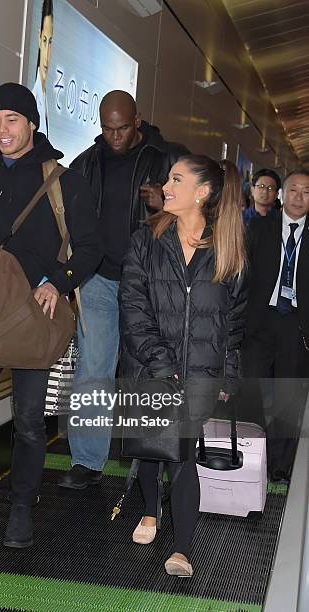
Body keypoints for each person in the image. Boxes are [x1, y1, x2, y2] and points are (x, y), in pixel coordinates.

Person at [0, 82, 102, 550]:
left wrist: (59, 282)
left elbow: (90, 247)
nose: (3, 129)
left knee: (30, 421)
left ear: (32, 123)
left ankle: (20, 511)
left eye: (13, 119)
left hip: (35, 316)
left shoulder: (62, 180)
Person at [119, 155, 247, 577]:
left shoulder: (228, 249)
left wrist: (228, 374)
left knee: (183, 456)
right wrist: (160, 363)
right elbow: (133, 307)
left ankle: (183, 548)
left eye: (177, 179)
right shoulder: (145, 240)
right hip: (151, 368)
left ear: (203, 192)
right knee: (153, 450)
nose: (166, 185)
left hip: (199, 373)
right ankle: (151, 512)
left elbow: (235, 321)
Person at [58, 90, 189, 490]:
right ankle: (87, 460)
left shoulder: (168, 158)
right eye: (107, 129)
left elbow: (204, 209)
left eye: (123, 127)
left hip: (148, 281)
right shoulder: (86, 163)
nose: (115, 136)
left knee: (152, 369)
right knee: (93, 368)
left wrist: (165, 203)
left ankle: (158, 457)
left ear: (138, 120)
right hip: (98, 278)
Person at [242, 169, 309, 482]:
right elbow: (242, 276)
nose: (299, 196)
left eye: (306, 191)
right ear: (283, 194)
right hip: (259, 320)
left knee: (289, 396)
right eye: (294, 189)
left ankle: (280, 464)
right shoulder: (260, 227)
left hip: (297, 324)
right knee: (250, 390)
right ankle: (252, 455)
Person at [32, 0, 53, 136]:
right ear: (39, 38)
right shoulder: (32, 100)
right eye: (44, 40)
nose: (47, 54)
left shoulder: (46, 96)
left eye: (50, 42)